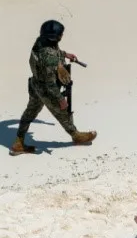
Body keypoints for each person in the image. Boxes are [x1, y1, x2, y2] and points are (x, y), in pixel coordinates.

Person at [10, 20, 97, 155]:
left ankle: (19, 142)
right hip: (46, 89)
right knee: (63, 113)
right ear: (58, 37)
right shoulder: (50, 59)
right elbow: (50, 84)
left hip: (35, 84)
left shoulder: (39, 42)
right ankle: (76, 135)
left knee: (29, 113)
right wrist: (61, 99)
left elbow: (50, 52)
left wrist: (64, 54)